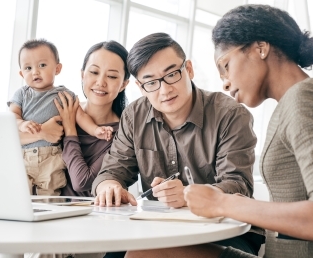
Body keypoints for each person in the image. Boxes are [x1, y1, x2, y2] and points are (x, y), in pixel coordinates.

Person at [182, 4, 313, 258]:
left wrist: (223, 203)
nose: (225, 83)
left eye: (225, 65)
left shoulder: (303, 100)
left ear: (260, 48)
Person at [92, 33, 265, 256]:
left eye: (172, 74)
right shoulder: (133, 116)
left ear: (189, 70)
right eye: (151, 82)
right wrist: (109, 187)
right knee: (112, 253)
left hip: (227, 232)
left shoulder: (230, 115)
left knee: (141, 253)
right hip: (159, 229)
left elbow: (238, 184)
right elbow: (112, 170)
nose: (164, 90)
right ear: (141, 87)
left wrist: (188, 195)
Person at [8, 39, 113, 196]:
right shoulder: (21, 94)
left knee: (49, 198)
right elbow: (12, 116)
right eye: (28, 68)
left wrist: (96, 130)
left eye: (42, 65)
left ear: (57, 68)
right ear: (22, 73)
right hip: (24, 157)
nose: (35, 72)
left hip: (52, 158)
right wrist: (21, 124)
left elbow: (80, 116)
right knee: (19, 196)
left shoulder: (64, 95)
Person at [55, 41, 130, 198]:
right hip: (41, 209)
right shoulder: (64, 109)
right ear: (82, 75)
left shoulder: (122, 134)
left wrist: (70, 129)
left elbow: (82, 182)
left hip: (90, 217)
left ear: (123, 84)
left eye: (111, 76)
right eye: (94, 72)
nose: (100, 82)